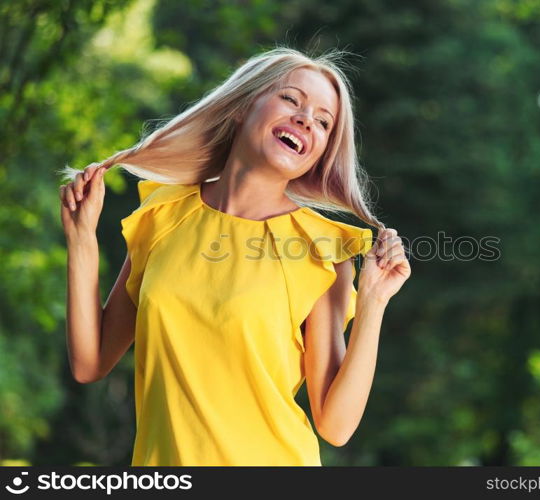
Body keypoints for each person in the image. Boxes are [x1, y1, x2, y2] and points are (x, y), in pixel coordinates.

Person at [58, 46, 411, 466]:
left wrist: (372, 304)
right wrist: (82, 240)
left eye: (322, 122)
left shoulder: (320, 250)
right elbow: (90, 362)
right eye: (291, 99)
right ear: (243, 106)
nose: (305, 120)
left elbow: (335, 425)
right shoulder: (164, 215)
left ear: (320, 152)